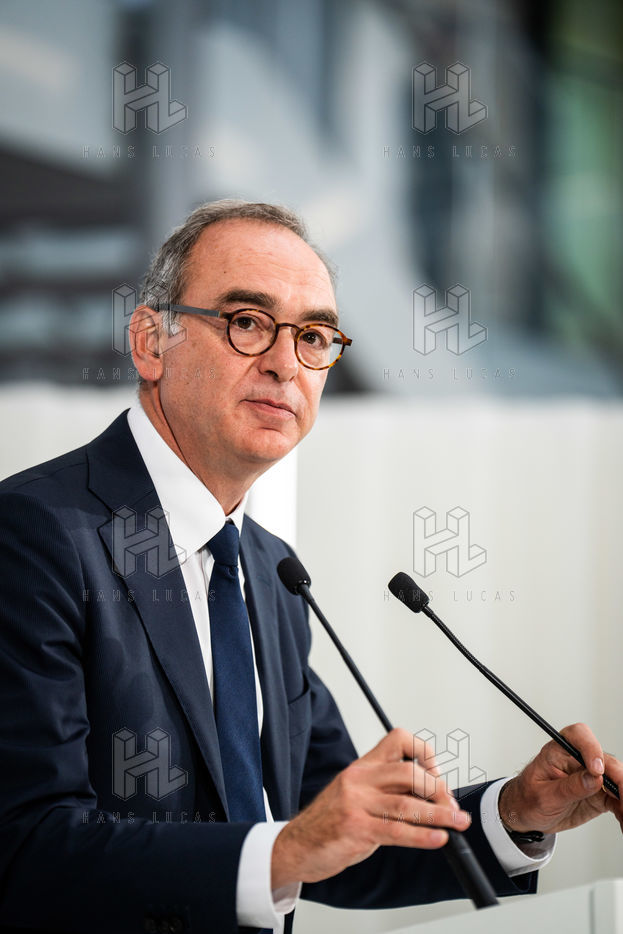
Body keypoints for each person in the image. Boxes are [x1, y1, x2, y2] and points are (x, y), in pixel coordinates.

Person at [0, 200, 620, 934]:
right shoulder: (34, 534)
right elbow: (27, 848)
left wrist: (515, 812)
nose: (285, 363)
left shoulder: (269, 569)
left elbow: (335, 837)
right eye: (248, 322)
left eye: (314, 336)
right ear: (149, 342)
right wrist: (289, 849)